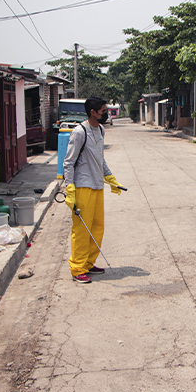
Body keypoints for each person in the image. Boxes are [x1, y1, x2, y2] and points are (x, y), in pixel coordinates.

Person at [63, 96, 124, 283]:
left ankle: (89, 262)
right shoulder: (79, 132)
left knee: (97, 228)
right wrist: (70, 189)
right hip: (82, 187)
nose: (106, 114)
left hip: (97, 186)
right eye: (103, 111)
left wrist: (110, 177)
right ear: (93, 112)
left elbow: (100, 158)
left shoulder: (101, 130)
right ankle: (77, 268)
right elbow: (68, 162)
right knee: (82, 230)